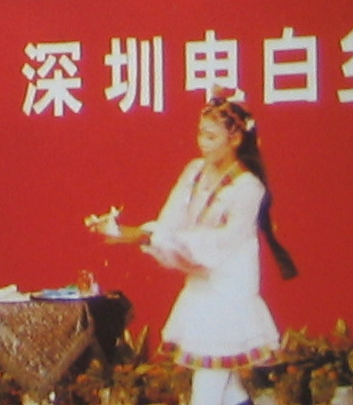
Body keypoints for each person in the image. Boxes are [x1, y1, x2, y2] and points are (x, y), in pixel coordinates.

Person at [86, 98, 298, 405]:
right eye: (201, 134)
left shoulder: (249, 189)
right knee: (229, 392)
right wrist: (127, 233)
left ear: (235, 139)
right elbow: (171, 224)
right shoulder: (195, 171)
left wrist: (143, 235)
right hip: (201, 290)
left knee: (207, 393)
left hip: (229, 293)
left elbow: (215, 247)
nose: (203, 143)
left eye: (211, 136)